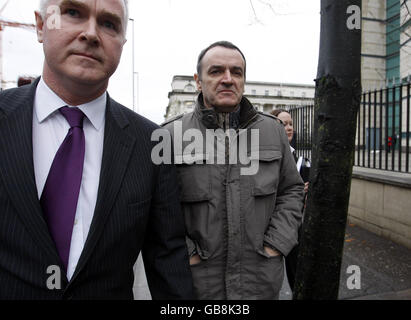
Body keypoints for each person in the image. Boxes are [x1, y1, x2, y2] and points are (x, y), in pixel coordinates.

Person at [0, 0, 194, 300]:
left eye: (108, 24)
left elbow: (167, 260)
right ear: (41, 25)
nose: (91, 33)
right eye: (73, 13)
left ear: (122, 42)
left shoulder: (152, 142)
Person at [163, 41, 304, 300]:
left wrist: (278, 242)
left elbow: (292, 189)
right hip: (198, 285)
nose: (228, 79)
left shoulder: (273, 131)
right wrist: (186, 251)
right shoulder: (170, 135)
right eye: (216, 71)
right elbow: (158, 207)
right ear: (198, 80)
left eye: (236, 72)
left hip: (259, 282)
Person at [271, 108, 310, 292]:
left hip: (295, 222)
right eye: (283, 124)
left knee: (297, 271)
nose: (289, 128)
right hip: (271, 223)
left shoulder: (299, 158)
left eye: (291, 124)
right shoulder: (268, 156)